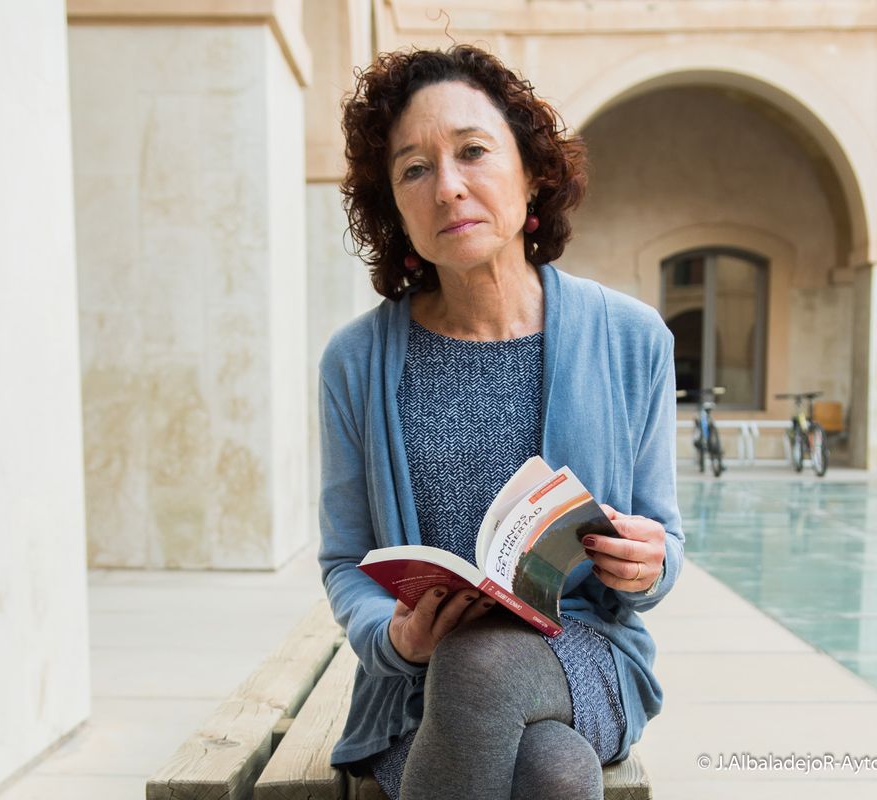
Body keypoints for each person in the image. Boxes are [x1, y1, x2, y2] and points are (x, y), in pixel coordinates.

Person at [317, 44, 683, 800]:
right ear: (394, 209)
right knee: (552, 769)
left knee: (483, 665)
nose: (448, 187)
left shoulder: (632, 338)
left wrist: (648, 564)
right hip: (417, 683)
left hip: (585, 650)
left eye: (473, 152)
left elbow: (664, 541)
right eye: (413, 169)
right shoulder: (355, 362)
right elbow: (346, 561)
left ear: (532, 172)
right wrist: (393, 636)